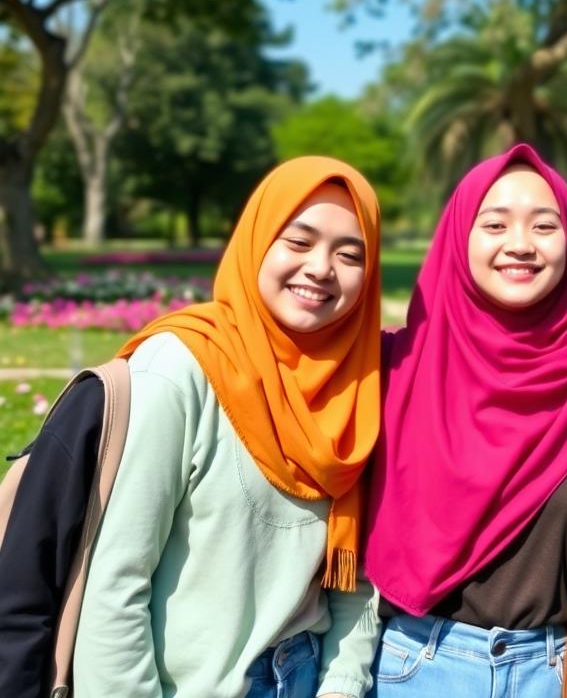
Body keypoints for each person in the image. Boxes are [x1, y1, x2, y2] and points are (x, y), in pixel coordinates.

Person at [65, 156, 383, 698]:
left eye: (349, 254)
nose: (321, 268)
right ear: (257, 240)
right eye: (299, 241)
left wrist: (342, 684)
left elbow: (353, 578)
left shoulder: (359, 388)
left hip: (309, 678)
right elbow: (115, 582)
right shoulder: (182, 367)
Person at [363, 143, 567, 697]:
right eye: (495, 224)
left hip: (553, 673)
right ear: (459, 237)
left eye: (544, 225)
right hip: (411, 668)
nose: (521, 246)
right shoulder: (393, 367)